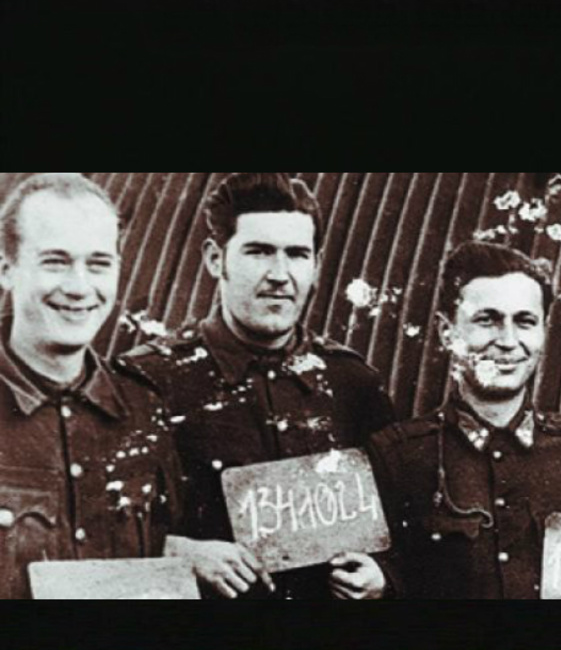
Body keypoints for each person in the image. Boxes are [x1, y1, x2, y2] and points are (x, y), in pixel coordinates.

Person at [123, 172, 396, 601]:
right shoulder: (148, 381)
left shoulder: (353, 383)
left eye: (297, 254)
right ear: (216, 259)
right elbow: (92, 532)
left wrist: (383, 578)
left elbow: (408, 528)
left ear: (316, 265)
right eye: (259, 252)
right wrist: (179, 553)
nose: (280, 275)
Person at [368, 240, 561, 599]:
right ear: (447, 333)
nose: (508, 341)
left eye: (525, 322)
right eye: (486, 320)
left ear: (542, 333)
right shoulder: (396, 458)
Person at [0, 173, 182, 600]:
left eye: (98, 263)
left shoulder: (143, 408)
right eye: (55, 262)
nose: (80, 287)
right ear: (6, 270)